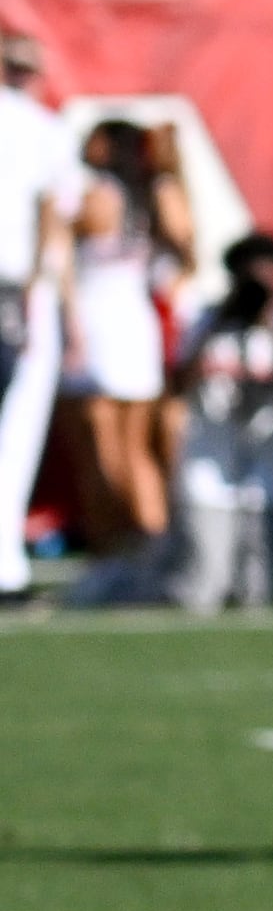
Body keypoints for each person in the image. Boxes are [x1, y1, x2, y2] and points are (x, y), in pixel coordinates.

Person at [166, 230, 273, 612]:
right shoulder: (204, 325)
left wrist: (269, 323)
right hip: (207, 474)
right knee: (204, 585)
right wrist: (222, 320)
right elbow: (175, 384)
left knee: (259, 590)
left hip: (264, 478)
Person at [59, 117, 194, 555]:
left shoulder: (95, 196)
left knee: (101, 442)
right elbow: (186, 254)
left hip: (97, 321)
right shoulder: (152, 194)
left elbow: (56, 249)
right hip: (135, 323)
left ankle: (125, 538)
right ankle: (149, 537)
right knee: (134, 445)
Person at [0, 30, 76, 601]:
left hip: (19, 287)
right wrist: (40, 294)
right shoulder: (41, 130)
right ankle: (6, 566)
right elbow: (51, 216)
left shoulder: (43, 129)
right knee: (15, 432)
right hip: (16, 289)